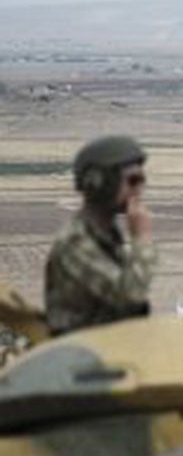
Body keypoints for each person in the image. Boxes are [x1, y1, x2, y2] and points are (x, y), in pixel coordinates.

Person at [44, 135, 156, 334]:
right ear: (99, 182)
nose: (139, 189)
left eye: (142, 180)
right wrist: (142, 239)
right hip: (79, 356)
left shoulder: (106, 235)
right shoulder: (76, 242)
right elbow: (130, 295)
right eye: (133, 180)